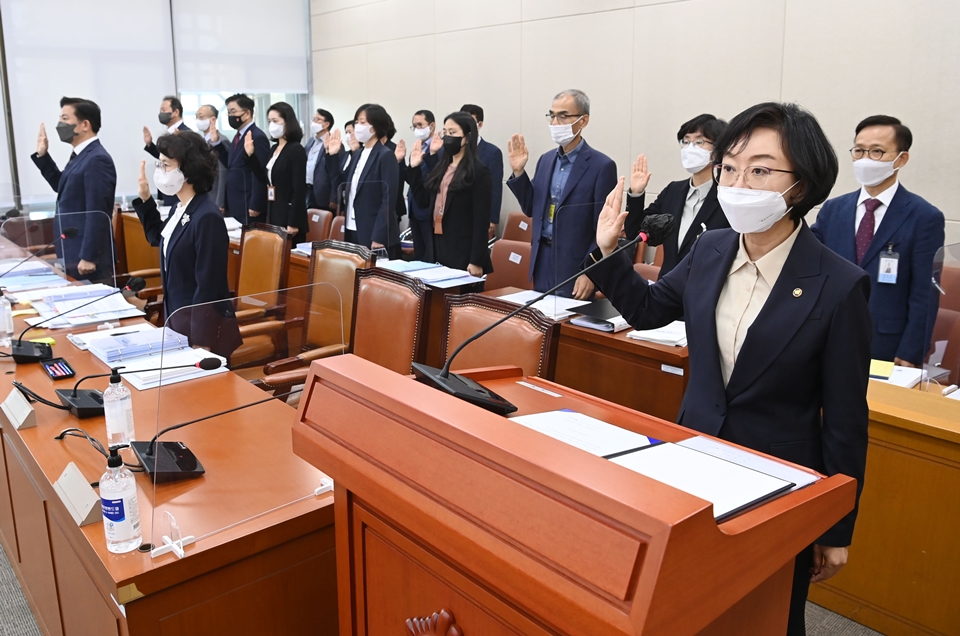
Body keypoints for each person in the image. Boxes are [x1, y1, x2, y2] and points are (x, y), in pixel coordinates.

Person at [587, 102, 872, 636]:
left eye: (760, 170)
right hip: (694, 459)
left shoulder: (839, 284)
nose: (739, 182)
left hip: (778, 481)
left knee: (764, 615)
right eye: (730, 167)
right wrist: (608, 254)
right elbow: (648, 311)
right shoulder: (710, 248)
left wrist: (836, 525)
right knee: (692, 605)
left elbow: (846, 419)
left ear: (802, 185)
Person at [811, 115, 945, 367]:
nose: (865, 160)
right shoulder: (833, 210)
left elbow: (925, 294)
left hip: (886, 343)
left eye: (877, 152)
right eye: (859, 151)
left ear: (901, 158)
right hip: (828, 335)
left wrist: (911, 351)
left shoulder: (924, 217)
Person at [131, 131, 240, 358]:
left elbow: (209, 285)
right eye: (159, 164)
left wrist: (202, 339)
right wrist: (145, 199)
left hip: (201, 331)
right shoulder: (179, 208)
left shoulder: (207, 216)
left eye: (166, 165)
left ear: (188, 169)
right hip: (178, 320)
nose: (159, 171)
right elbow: (158, 238)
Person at [507, 89, 616, 299]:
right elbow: (531, 208)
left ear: (583, 121)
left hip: (575, 263)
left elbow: (603, 229)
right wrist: (519, 172)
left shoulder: (601, 166)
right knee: (542, 322)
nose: (556, 122)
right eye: (552, 115)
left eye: (563, 116)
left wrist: (590, 271)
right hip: (542, 257)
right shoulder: (546, 160)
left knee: (567, 326)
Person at [624, 114, 730, 278]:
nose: (690, 148)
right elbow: (636, 232)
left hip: (705, 290)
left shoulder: (727, 197)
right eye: (686, 142)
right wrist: (636, 194)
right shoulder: (673, 191)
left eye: (699, 142)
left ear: (717, 151)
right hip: (667, 288)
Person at [31, 96, 115, 282]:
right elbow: (62, 187)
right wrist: (43, 156)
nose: (59, 124)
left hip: (86, 257)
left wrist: (89, 256)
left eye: (65, 118)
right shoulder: (80, 156)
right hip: (72, 251)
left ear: (85, 124)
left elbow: (98, 211)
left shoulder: (97, 159)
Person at [403, 111, 492, 276]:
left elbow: (481, 221)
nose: (447, 137)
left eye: (453, 133)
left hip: (461, 248)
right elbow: (423, 200)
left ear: (468, 136)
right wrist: (414, 168)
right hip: (435, 243)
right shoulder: (441, 166)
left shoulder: (479, 172)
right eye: (445, 132)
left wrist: (476, 260)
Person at [324, 104, 399, 257]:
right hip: (352, 226)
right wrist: (332, 157)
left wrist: (379, 236)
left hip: (373, 232)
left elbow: (388, 199)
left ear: (375, 127)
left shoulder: (385, 155)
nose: (358, 126)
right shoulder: (358, 154)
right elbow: (341, 185)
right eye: (356, 122)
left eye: (363, 122)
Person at [245, 101, 307, 238]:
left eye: (275, 120)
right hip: (274, 209)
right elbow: (264, 178)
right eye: (269, 121)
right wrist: (250, 155)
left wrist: (293, 221)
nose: (271, 125)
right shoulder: (274, 149)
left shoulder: (296, 149)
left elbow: (299, 188)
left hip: (289, 214)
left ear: (287, 122)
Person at [209, 93, 270, 225]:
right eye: (228, 113)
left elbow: (259, 173)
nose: (230, 116)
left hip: (248, 202)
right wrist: (217, 144)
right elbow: (232, 165)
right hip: (235, 201)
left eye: (233, 112)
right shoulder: (238, 136)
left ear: (247, 114)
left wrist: (256, 203)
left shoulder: (257, 137)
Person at [460, 104, 504, 239]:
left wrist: (492, 218)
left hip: (479, 214)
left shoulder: (492, 152)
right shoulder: (456, 149)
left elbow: (495, 187)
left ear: (480, 124)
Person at [404, 109, 439, 260]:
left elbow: (438, 177)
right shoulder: (417, 147)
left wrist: (432, 155)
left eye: (420, 125)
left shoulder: (440, 149)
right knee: (419, 255)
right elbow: (411, 179)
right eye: (414, 126)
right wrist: (400, 162)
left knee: (429, 255)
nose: (417, 129)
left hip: (430, 208)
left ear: (431, 126)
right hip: (414, 207)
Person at [304, 108, 342, 212]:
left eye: (317, 120)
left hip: (324, 194)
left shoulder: (334, 144)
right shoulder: (311, 141)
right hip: (308, 190)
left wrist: (334, 197)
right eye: (313, 119)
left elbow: (335, 173)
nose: (313, 122)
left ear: (326, 124)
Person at [195, 104, 227, 209]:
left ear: (213, 119)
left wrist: (220, 202)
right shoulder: (201, 142)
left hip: (215, 197)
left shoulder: (221, 141)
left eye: (201, 117)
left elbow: (223, 173)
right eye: (196, 117)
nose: (198, 120)